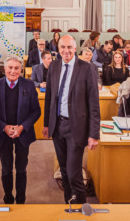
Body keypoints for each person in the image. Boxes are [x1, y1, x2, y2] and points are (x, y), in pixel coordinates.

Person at [43, 35, 100, 204]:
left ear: (75, 49)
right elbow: (49, 99)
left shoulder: (86, 68)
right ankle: (69, 203)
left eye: (69, 47)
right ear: (58, 49)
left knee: (74, 172)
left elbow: (94, 104)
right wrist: (47, 123)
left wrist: (94, 134)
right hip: (58, 126)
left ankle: (80, 207)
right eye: (62, 47)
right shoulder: (53, 66)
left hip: (77, 127)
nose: (66, 51)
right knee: (64, 171)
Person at [0, 56, 41, 204]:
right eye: (10, 68)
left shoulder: (28, 85)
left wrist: (22, 127)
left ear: (21, 70)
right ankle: (8, 197)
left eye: (16, 68)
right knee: (6, 169)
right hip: (4, 135)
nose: (13, 71)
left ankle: (21, 199)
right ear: (5, 69)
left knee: (21, 169)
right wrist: (4, 127)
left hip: (23, 134)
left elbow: (36, 111)